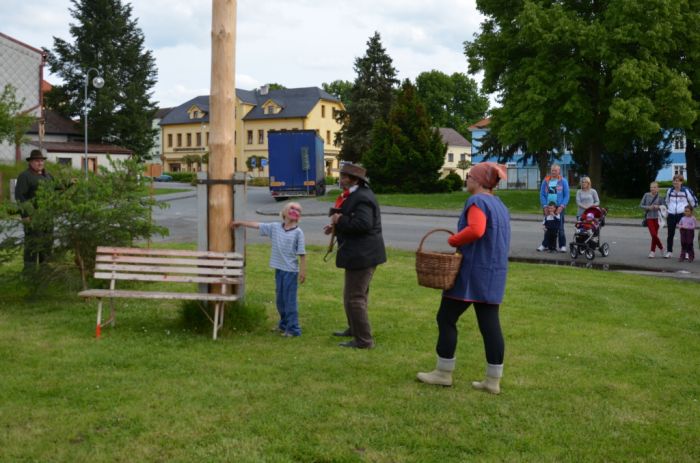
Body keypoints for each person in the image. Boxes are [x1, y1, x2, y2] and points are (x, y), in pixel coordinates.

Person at [417, 162, 510, 394]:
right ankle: (493, 380)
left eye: (469, 176)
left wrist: (455, 240)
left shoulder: (477, 201)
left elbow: (477, 230)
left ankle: (443, 373)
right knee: (490, 325)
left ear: (478, 181)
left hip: (471, 274)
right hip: (493, 273)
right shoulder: (499, 204)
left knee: (446, 318)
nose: (467, 179)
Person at [323, 163, 386, 349]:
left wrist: (340, 219)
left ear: (354, 179)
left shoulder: (362, 197)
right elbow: (353, 219)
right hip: (359, 253)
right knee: (351, 294)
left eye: (343, 176)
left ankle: (364, 340)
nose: (340, 179)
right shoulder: (356, 195)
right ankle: (354, 329)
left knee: (355, 297)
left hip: (363, 255)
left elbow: (363, 224)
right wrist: (335, 225)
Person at [231, 202, 306, 337]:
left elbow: (302, 253)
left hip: (290, 271)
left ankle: (293, 329)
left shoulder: (298, 232)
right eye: (292, 208)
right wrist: (240, 222)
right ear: (284, 212)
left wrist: (303, 271)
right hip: (279, 270)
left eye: (298, 210)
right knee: (280, 300)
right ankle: (283, 325)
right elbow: (257, 225)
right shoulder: (275, 227)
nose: (295, 211)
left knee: (289, 301)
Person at [14, 149, 54, 273]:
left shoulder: (47, 176)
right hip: (32, 217)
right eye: (37, 161)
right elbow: (20, 196)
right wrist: (26, 215)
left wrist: (70, 183)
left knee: (46, 243)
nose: (40, 163)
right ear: (31, 162)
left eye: (42, 161)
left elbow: (57, 185)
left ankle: (44, 271)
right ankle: (29, 272)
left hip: (47, 217)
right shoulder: (25, 176)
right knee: (33, 244)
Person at [664, 175, 698, 259]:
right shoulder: (670, 191)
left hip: (682, 215)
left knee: (685, 235)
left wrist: (690, 212)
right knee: (670, 234)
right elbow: (667, 201)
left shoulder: (686, 190)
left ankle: (686, 252)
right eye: (674, 181)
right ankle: (669, 251)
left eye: (678, 181)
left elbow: (693, 201)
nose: (676, 182)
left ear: (681, 182)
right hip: (671, 214)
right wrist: (669, 209)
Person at [537, 164, 569, 252]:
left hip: (559, 207)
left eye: (555, 170)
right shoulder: (546, 180)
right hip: (548, 207)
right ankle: (545, 245)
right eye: (552, 170)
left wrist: (562, 206)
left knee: (560, 227)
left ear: (559, 171)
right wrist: (544, 206)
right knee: (548, 227)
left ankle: (562, 245)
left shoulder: (563, 181)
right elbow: (542, 194)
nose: (553, 172)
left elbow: (566, 195)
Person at [640, 181, 665, 258]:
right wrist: (648, 207)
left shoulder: (660, 197)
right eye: (651, 187)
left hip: (657, 218)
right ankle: (661, 247)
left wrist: (658, 207)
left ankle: (652, 251)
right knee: (653, 234)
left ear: (658, 189)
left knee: (654, 236)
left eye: (654, 187)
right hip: (649, 217)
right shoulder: (646, 195)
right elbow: (641, 205)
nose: (652, 189)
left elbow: (664, 206)